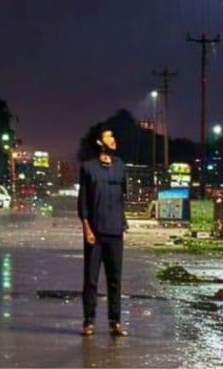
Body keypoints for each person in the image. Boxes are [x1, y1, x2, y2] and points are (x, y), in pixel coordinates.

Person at [78, 125, 128, 337]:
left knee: (115, 279)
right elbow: (83, 203)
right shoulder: (88, 168)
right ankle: (89, 321)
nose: (114, 139)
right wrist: (86, 229)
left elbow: (123, 195)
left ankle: (115, 321)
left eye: (114, 135)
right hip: (95, 234)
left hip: (115, 232)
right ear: (100, 142)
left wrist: (121, 222)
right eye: (109, 136)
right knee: (91, 279)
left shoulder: (120, 166)